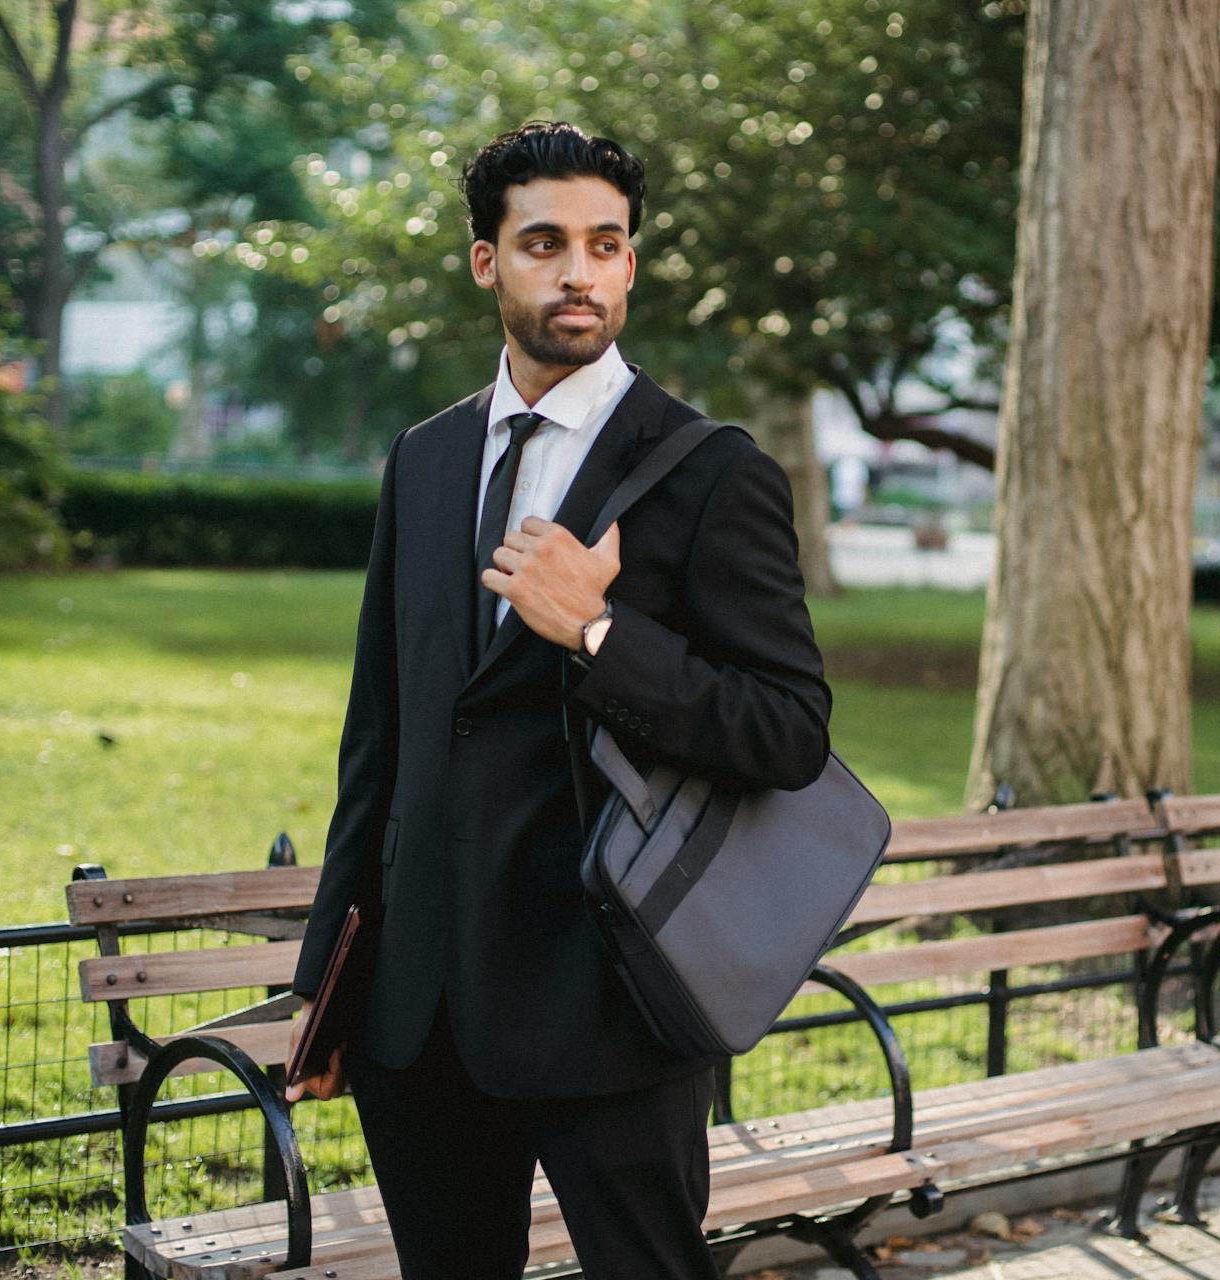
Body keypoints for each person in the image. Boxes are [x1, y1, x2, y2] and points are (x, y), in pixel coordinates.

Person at [281, 121, 832, 1279]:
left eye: (604, 243)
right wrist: (331, 981)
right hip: (420, 1010)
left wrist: (595, 630)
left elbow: (786, 729)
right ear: (488, 261)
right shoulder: (424, 459)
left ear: (632, 262)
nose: (577, 271)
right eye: (544, 242)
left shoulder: (710, 470)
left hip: (608, 1002)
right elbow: (377, 733)